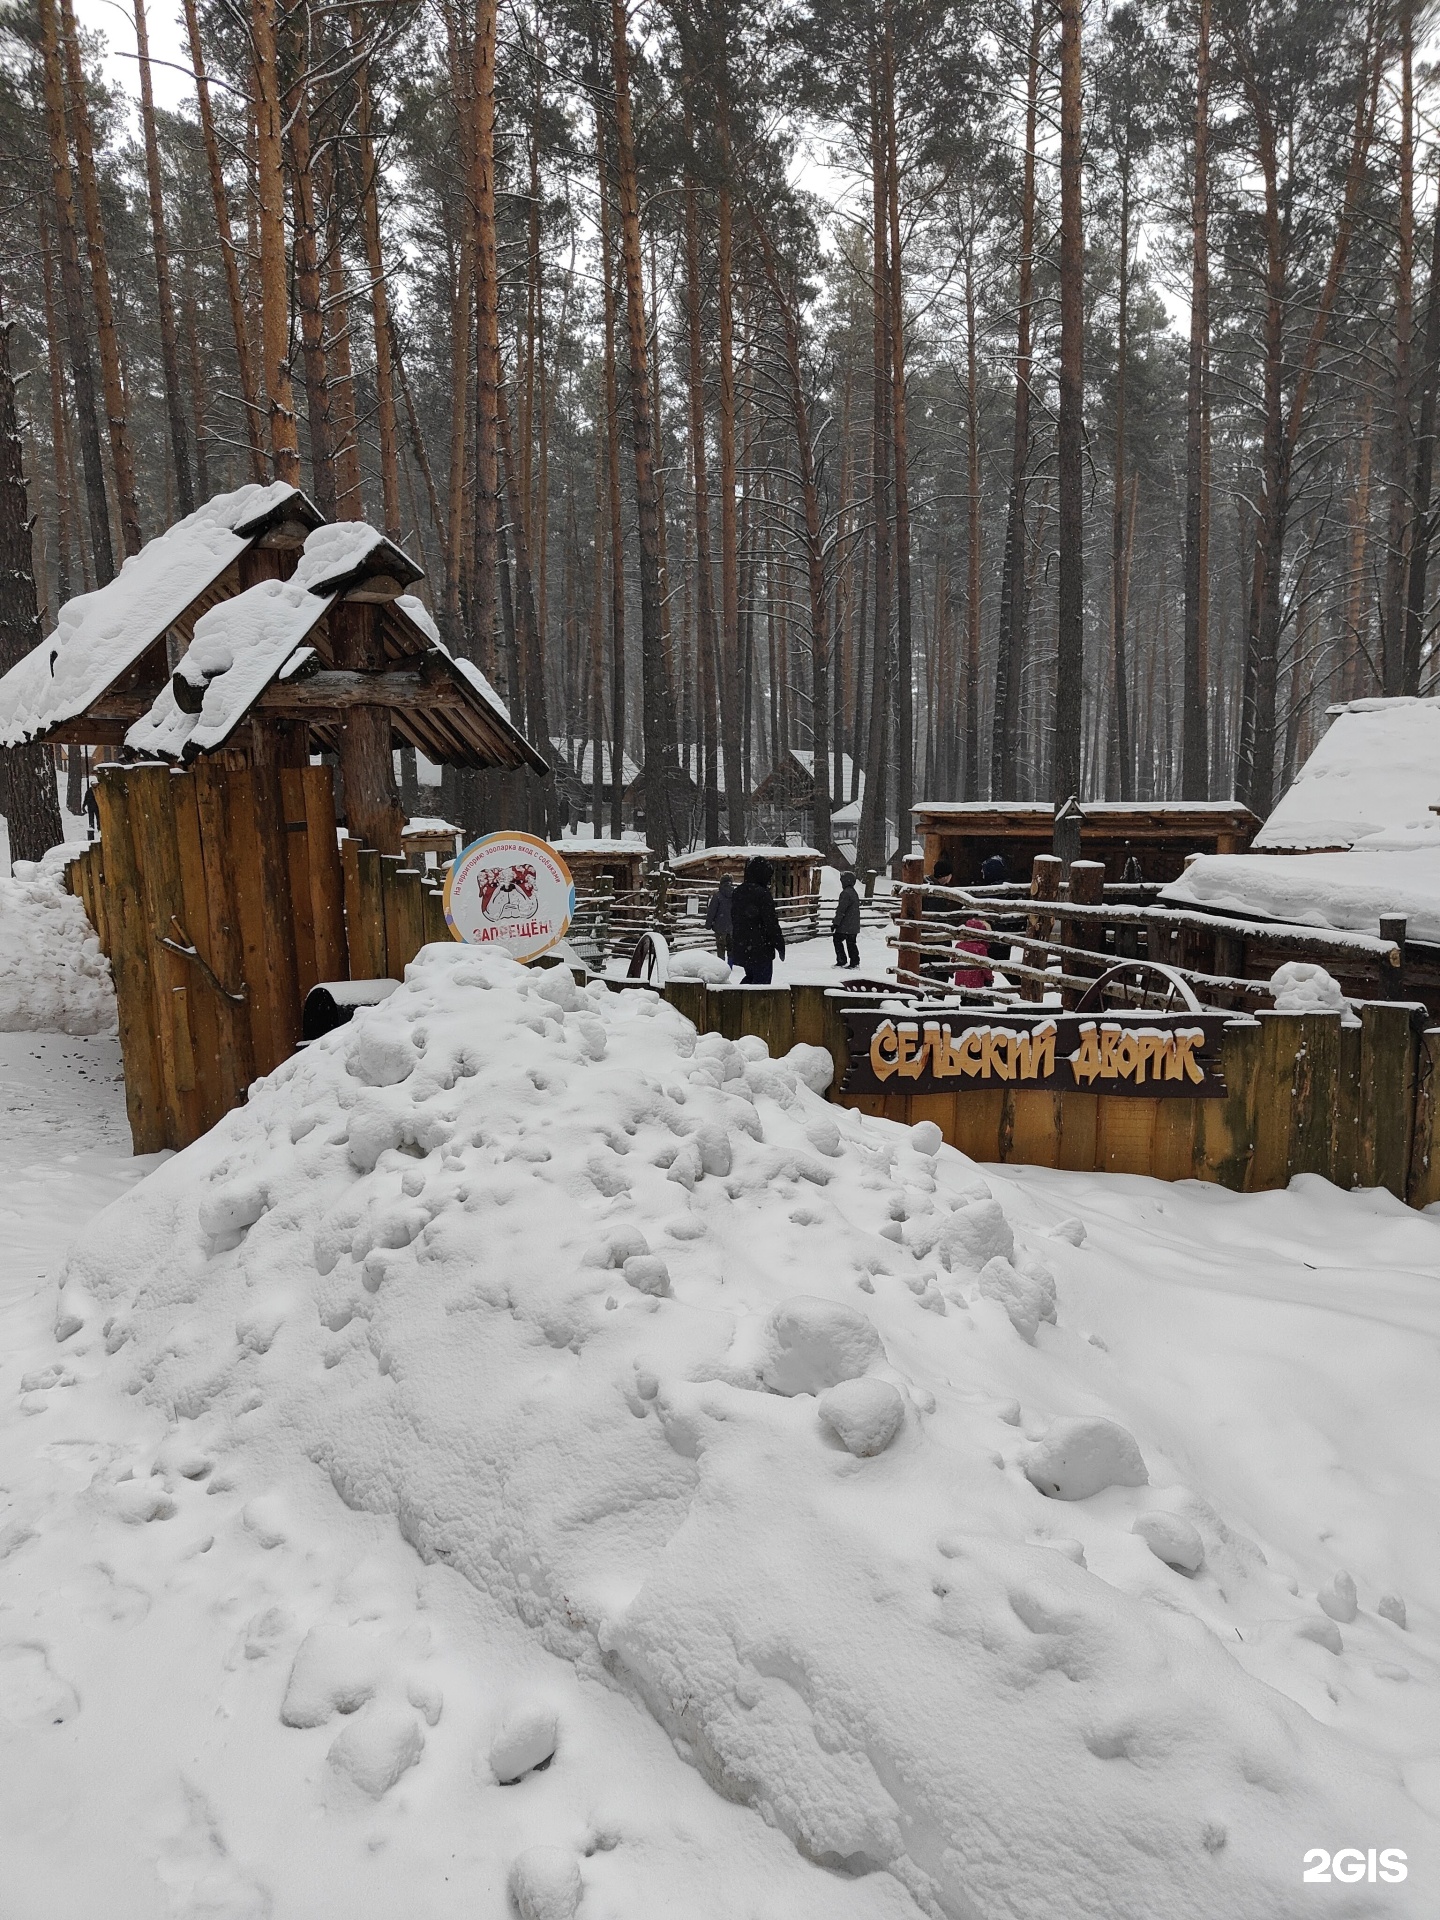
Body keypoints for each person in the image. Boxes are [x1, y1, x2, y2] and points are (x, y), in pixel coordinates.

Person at [730, 855, 786, 985]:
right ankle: (750, 1004)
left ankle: (738, 1002)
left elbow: (735, 918)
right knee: (761, 985)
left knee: (750, 978)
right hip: (761, 949)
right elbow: (770, 923)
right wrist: (779, 943)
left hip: (742, 946)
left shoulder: (738, 892)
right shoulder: (762, 894)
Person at [832, 869, 861, 970]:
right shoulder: (853, 892)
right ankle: (854, 961)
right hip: (853, 925)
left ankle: (842, 960)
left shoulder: (845, 893)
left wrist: (836, 923)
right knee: (851, 943)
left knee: (837, 939)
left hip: (845, 925)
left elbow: (841, 910)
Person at [706, 872, 734, 960]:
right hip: (732, 927)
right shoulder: (735, 895)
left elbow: (712, 911)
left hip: (719, 927)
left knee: (720, 948)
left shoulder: (717, 896)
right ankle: (730, 965)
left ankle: (721, 966)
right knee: (731, 948)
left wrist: (708, 924)